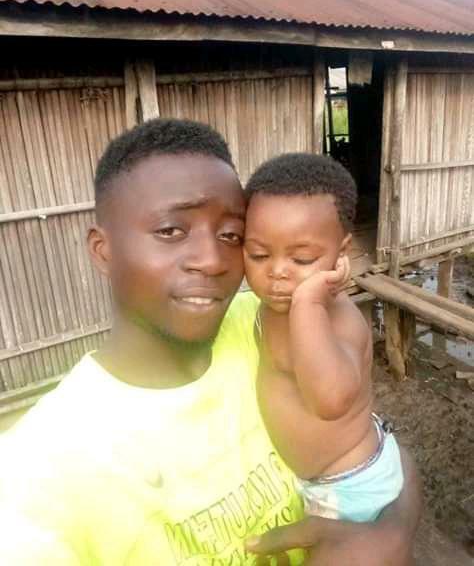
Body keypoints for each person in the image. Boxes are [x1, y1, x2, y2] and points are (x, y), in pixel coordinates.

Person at [0, 119, 420, 564]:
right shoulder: (34, 476)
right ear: (103, 250)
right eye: (171, 231)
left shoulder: (267, 321)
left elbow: (378, 450)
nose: (212, 260)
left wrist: (389, 533)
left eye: (230, 236)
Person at [243, 153, 403, 523]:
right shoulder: (266, 307)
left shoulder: (338, 320)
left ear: (341, 252)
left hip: (351, 487)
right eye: (258, 254)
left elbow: (330, 400)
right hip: (312, 483)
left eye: (301, 260)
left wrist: (309, 303)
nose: (277, 272)